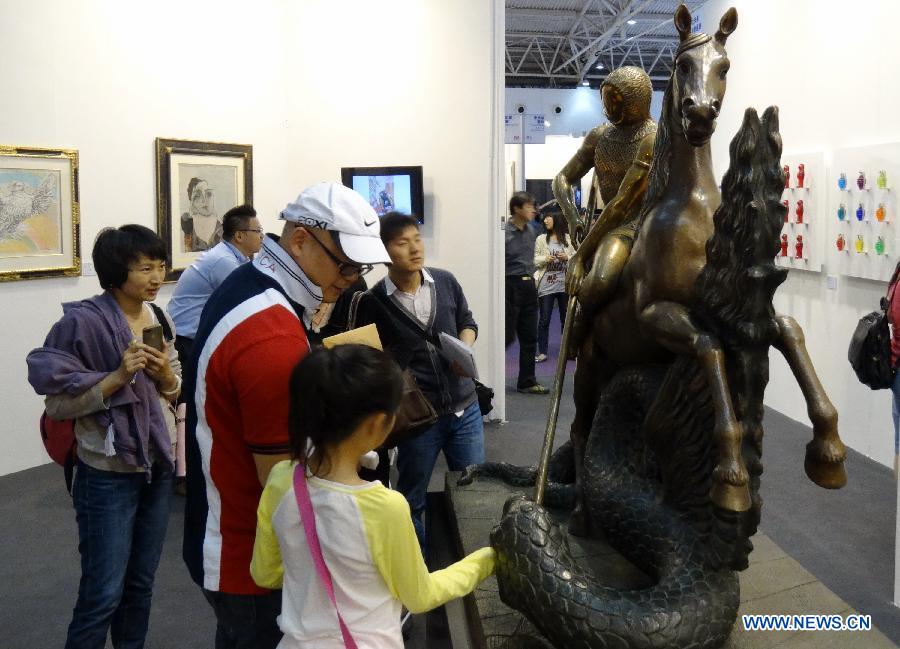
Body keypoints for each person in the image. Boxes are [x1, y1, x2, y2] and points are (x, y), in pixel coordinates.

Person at [182, 182, 390, 649]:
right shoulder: (270, 335)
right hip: (252, 557)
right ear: (299, 239)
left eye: (361, 267)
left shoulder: (254, 283)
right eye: (346, 264)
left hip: (234, 539)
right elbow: (280, 481)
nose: (354, 278)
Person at [250, 344, 495, 649]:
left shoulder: (281, 481)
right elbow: (420, 596)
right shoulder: (384, 507)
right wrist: (487, 559)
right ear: (377, 423)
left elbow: (265, 574)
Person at [26, 225, 180, 649]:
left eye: (161, 265)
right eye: (145, 268)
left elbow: (175, 389)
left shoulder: (158, 316)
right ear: (116, 272)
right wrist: (116, 377)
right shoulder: (80, 323)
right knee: (102, 593)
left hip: (157, 465)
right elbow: (57, 405)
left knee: (140, 586)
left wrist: (167, 376)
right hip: (106, 473)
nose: (157, 276)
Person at [353, 212, 483, 550]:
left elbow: (468, 322)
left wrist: (464, 348)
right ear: (385, 251)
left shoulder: (445, 281)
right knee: (411, 500)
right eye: (401, 243)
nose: (414, 249)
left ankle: (475, 568)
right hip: (416, 420)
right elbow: (370, 360)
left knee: (476, 492)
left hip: (464, 411)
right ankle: (418, 573)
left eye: (417, 239)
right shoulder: (373, 302)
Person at [167, 204, 264, 367]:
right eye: (258, 231)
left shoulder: (237, 257)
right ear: (239, 236)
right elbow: (249, 301)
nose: (262, 236)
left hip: (195, 336)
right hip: (186, 340)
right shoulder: (223, 260)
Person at [505, 191, 548, 394]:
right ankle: (489, 377)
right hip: (509, 286)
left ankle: (527, 381)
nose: (533, 210)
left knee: (530, 336)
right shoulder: (504, 233)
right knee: (506, 336)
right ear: (516, 209)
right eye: (529, 206)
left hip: (529, 285)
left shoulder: (533, 231)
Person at [533, 211, 576, 363]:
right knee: (544, 320)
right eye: (544, 219)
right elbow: (536, 260)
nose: (545, 220)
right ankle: (542, 352)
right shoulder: (541, 239)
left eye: (547, 218)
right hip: (546, 286)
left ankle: (568, 350)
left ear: (555, 220)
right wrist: (546, 258)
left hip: (564, 285)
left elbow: (576, 257)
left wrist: (568, 257)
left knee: (566, 320)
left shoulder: (567, 239)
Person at [181, 177, 223, 252]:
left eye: (208, 194)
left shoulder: (222, 229)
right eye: (198, 195)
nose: (204, 200)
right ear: (192, 201)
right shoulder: (187, 226)